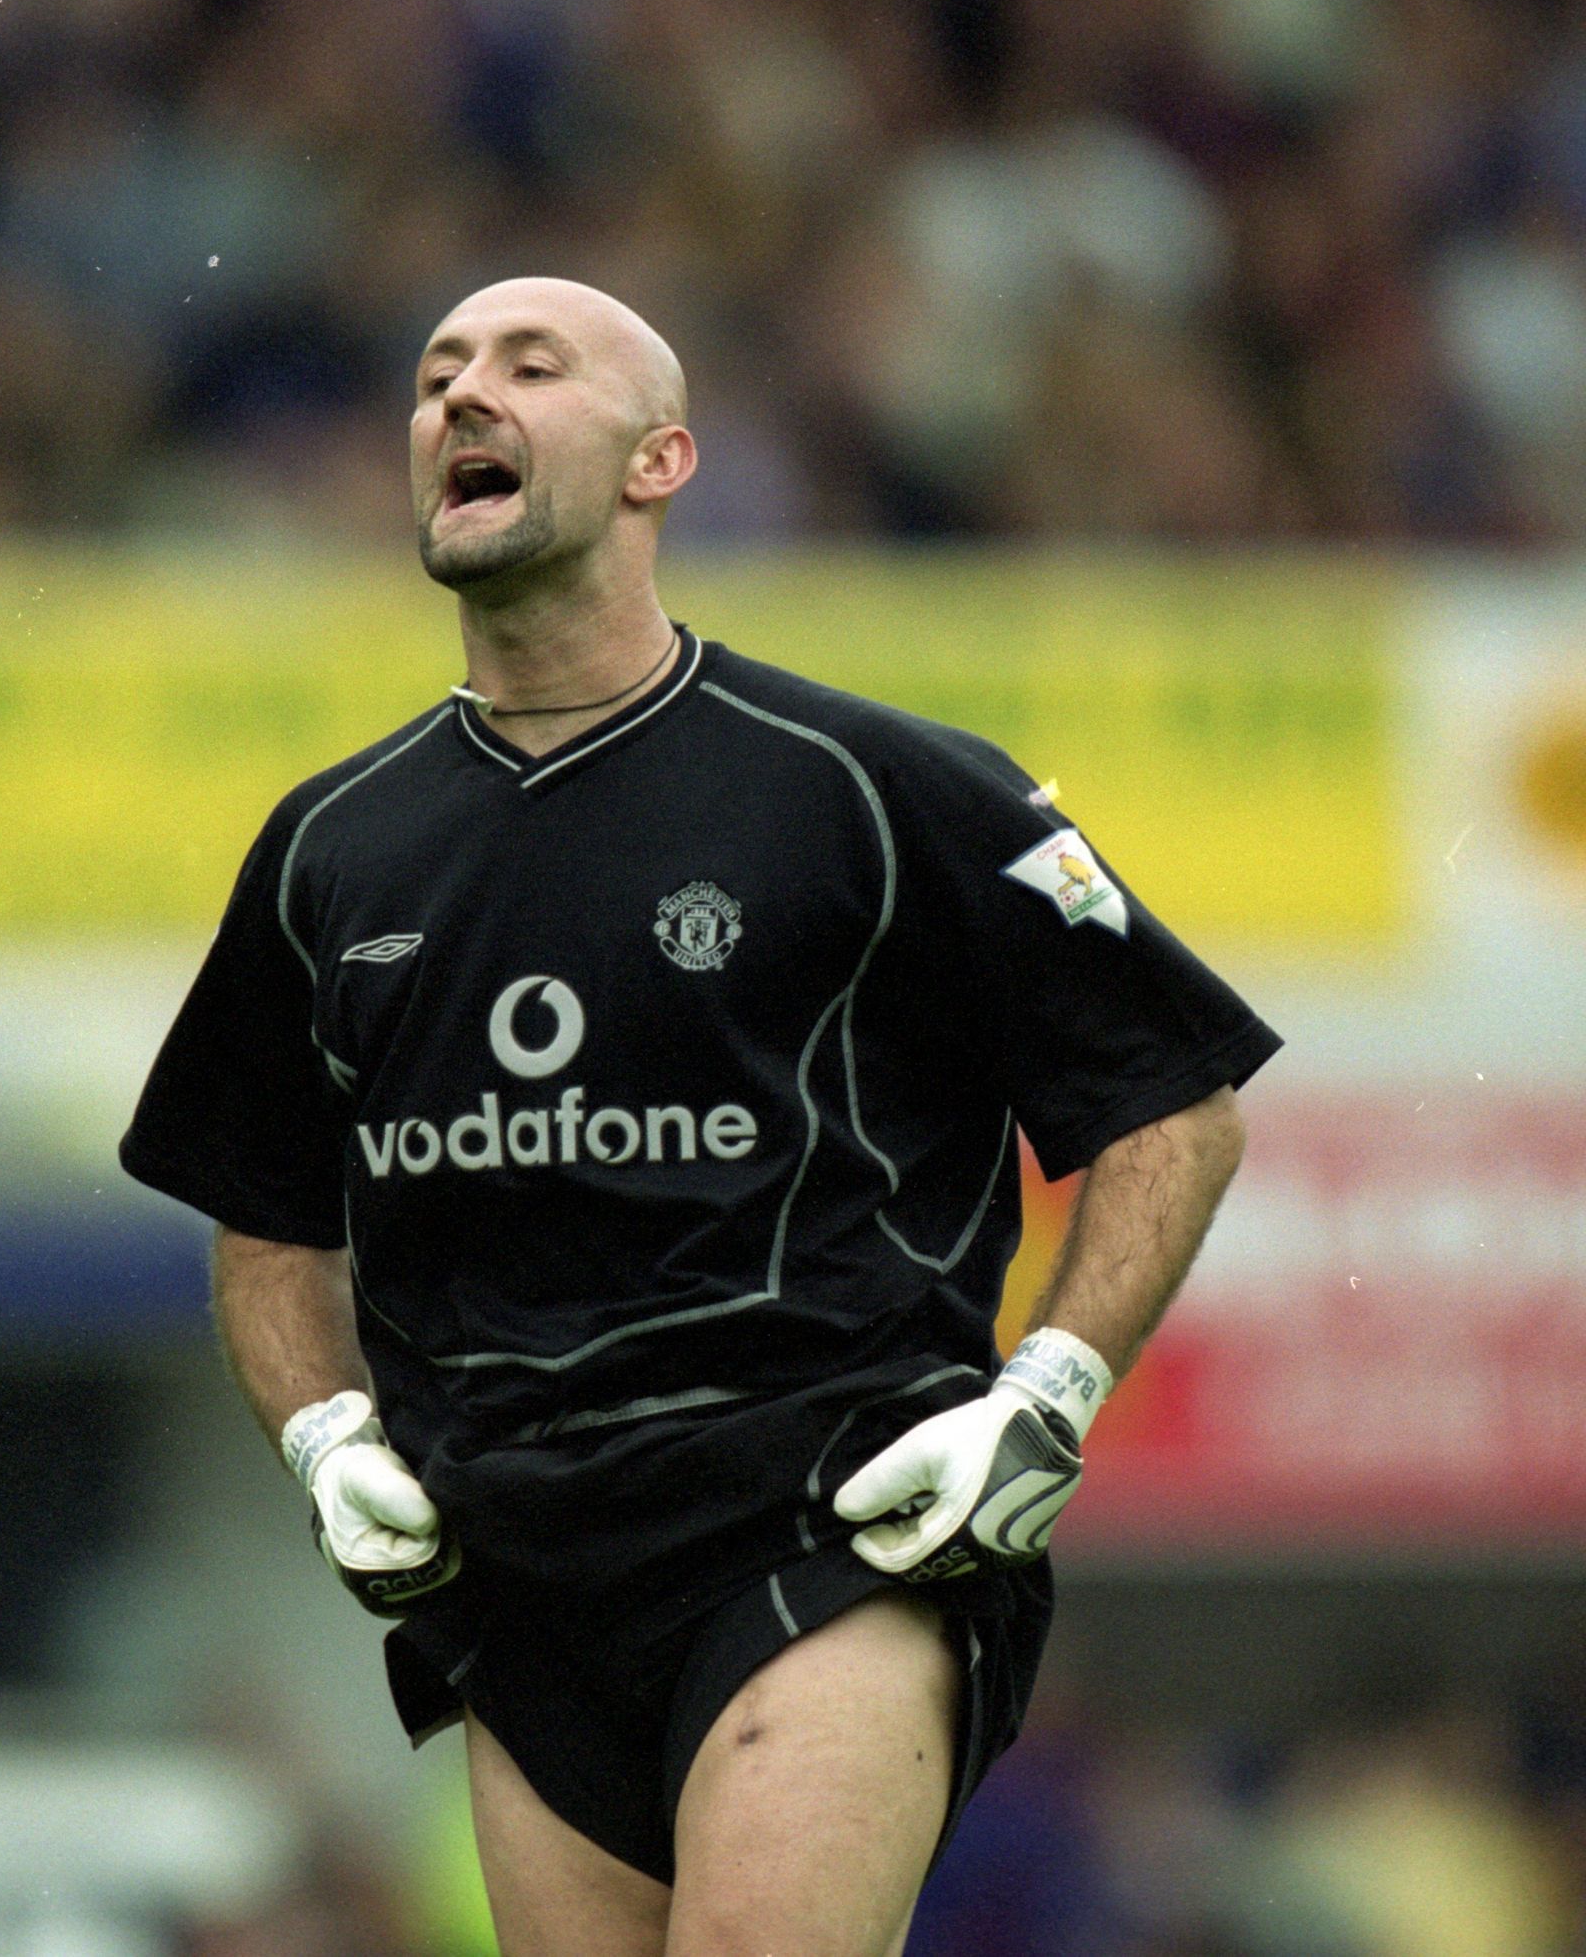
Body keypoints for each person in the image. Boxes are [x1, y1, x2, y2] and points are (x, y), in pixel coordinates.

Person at [119, 277, 1280, 1957]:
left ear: (662, 460)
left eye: (530, 365)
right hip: (515, 1582)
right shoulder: (329, 849)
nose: (462, 395)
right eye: (436, 372)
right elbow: (267, 1224)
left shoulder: (878, 785)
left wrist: (1046, 1398)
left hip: (824, 1520)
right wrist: (326, 1439)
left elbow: (1175, 1107)